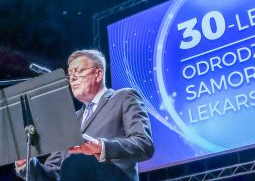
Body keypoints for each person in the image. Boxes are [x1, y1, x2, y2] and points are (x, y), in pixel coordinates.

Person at [15, 49, 154, 181]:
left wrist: (101, 146)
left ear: (98, 74)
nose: (73, 78)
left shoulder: (124, 97)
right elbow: (52, 174)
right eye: (70, 73)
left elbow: (144, 144)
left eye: (80, 71)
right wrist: (25, 162)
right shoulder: (70, 121)